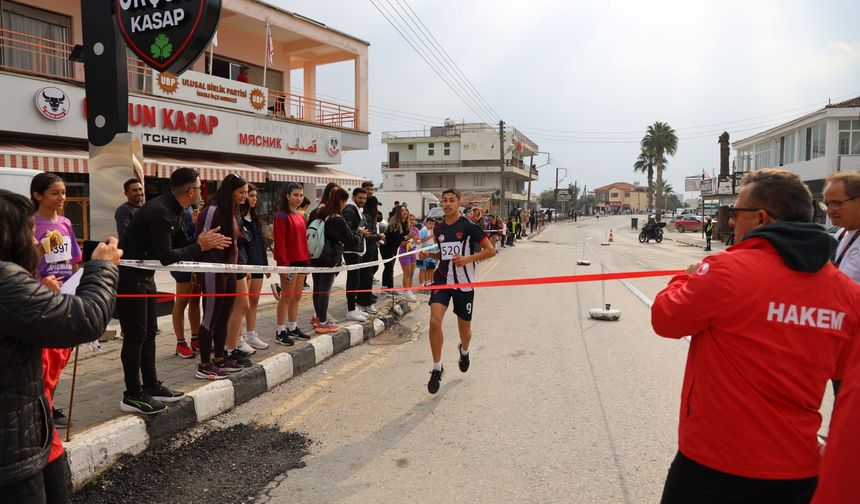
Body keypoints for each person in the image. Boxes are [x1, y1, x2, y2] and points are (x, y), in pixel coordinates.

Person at [651, 169, 860, 504]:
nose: (732, 223)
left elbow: (665, 319)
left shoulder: (727, 270)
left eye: (736, 214)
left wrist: (683, 279)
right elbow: (842, 370)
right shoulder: (847, 292)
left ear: (760, 218)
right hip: (798, 471)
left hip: (714, 463)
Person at [0, 188, 121, 503]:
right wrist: (104, 268)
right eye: (28, 232)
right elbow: (84, 320)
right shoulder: (5, 280)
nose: (36, 242)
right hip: (12, 455)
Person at [118, 168, 230, 413]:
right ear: (191, 191)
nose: (202, 193)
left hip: (145, 277)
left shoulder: (177, 209)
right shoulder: (160, 211)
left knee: (149, 334)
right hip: (129, 278)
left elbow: (181, 244)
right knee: (135, 336)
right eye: (200, 188)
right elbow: (167, 256)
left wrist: (201, 241)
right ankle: (132, 394)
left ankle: (151, 385)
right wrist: (199, 245)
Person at [419, 188, 496, 394]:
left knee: (465, 331)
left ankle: (464, 351)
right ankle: (437, 368)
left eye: (451, 200)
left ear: (459, 203)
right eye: (444, 201)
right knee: (434, 322)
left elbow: (491, 251)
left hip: (464, 283)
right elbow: (445, 256)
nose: (447, 204)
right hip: (442, 280)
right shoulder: (439, 229)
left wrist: (467, 260)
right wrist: (429, 255)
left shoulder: (469, 227)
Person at [31, 173, 83, 428]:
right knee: (44, 355)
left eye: (63, 192)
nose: (61, 197)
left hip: (65, 294)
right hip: (40, 296)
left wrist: (76, 285)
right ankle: (43, 406)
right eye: (55, 192)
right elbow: (24, 263)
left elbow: (74, 259)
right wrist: (41, 283)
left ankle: (48, 402)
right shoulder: (29, 224)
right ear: (37, 195)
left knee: (61, 353)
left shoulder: (65, 223)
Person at [196, 174, 249, 377]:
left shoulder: (231, 211)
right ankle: (203, 364)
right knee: (210, 317)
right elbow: (202, 241)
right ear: (230, 191)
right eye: (241, 192)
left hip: (229, 271)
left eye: (246, 192)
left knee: (224, 316)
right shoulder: (211, 210)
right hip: (212, 270)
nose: (245, 196)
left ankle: (220, 358)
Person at [310, 187, 362, 334]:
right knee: (325, 290)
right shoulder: (337, 219)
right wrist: (359, 234)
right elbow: (351, 240)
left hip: (316, 255)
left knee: (317, 288)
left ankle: (318, 318)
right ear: (341, 200)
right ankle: (322, 322)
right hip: (328, 258)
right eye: (345, 201)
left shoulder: (319, 212)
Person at [273, 182, 312, 346]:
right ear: (287, 196)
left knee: (297, 297)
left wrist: (307, 261)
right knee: (286, 297)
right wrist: (284, 265)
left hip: (302, 261)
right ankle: (280, 331)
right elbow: (280, 243)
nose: (298, 198)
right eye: (295, 195)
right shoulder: (281, 216)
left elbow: (303, 240)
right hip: (289, 263)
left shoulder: (301, 215)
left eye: (301, 195)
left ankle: (292, 326)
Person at [238, 184, 271, 351]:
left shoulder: (256, 219)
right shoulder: (238, 219)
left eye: (255, 196)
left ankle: (251, 334)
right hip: (245, 265)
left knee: (254, 300)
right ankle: (239, 336)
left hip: (258, 262)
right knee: (242, 303)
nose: (253, 199)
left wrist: (265, 265)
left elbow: (261, 243)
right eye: (250, 195)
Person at [171, 204, 202, 359]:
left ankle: (195, 338)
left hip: (195, 261)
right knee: (181, 302)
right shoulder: (176, 210)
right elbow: (182, 240)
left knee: (196, 300)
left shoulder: (192, 208)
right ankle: (180, 342)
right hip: (182, 262)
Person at [343, 187, 371, 321]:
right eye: (360, 198)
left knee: (356, 279)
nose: (362, 200)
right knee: (353, 279)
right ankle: (350, 309)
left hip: (357, 249)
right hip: (351, 249)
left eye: (364, 198)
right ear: (354, 197)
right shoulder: (349, 209)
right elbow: (347, 230)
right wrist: (360, 232)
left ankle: (353, 307)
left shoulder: (357, 210)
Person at [381, 204, 409, 296]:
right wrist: (407, 237)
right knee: (389, 268)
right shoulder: (394, 223)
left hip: (393, 247)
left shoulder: (404, 223)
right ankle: (390, 288)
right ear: (398, 213)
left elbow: (403, 237)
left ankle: (385, 287)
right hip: (386, 247)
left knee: (389, 267)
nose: (405, 212)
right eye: (402, 210)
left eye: (406, 210)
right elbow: (396, 239)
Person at [398, 212, 420, 301]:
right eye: (410, 219)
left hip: (413, 253)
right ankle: (406, 292)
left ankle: (409, 291)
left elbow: (418, 240)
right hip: (404, 253)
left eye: (413, 220)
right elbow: (400, 244)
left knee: (411, 273)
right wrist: (410, 240)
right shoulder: (403, 230)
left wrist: (417, 241)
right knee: (406, 273)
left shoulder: (416, 229)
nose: (412, 221)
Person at [416, 216, 438, 291]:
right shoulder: (424, 230)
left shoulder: (429, 230)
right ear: (426, 223)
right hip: (421, 252)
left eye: (432, 224)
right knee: (422, 269)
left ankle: (426, 283)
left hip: (427, 252)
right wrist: (431, 237)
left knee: (427, 269)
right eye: (430, 223)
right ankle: (421, 285)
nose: (431, 225)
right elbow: (421, 240)